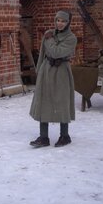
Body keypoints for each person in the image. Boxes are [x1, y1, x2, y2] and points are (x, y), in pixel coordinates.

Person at [29, 10, 77, 148]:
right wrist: (39, 71)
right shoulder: (49, 33)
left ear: (68, 23)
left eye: (63, 21)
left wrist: (49, 39)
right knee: (44, 101)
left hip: (61, 71)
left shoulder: (71, 38)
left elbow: (56, 53)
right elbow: (43, 53)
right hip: (46, 69)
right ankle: (43, 137)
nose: (60, 23)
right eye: (58, 20)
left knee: (62, 101)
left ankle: (65, 136)